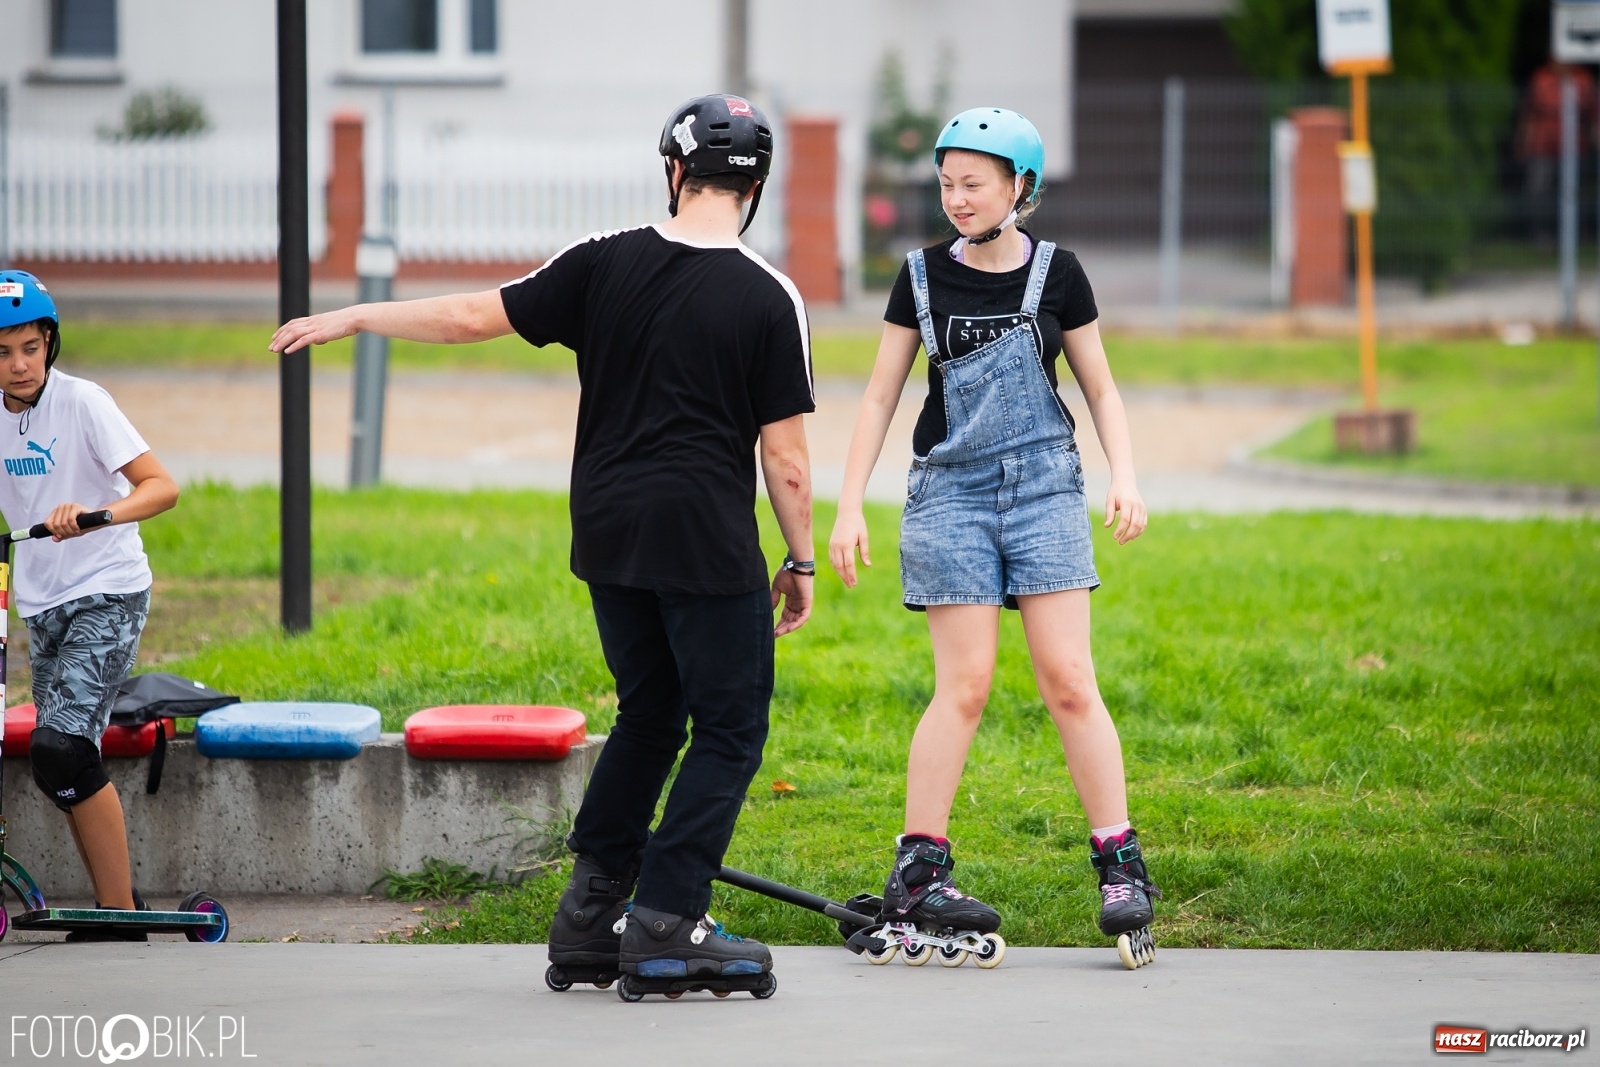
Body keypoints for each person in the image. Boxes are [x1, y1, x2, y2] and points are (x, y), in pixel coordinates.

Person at [269, 94, 815, 989]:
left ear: (674, 171)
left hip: (606, 534)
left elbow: (470, 316)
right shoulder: (768, 293)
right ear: (755, 185)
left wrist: (358, 316)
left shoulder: (601, 261)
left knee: (649, 715)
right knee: (727, 727)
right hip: (705, 541)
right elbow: (785, 459)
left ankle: (591, 916)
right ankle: (669, 919)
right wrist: (796, 562)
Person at [827, 108, 1161, 961]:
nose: (957, 198)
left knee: (1069, 678)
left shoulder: (1062, 275)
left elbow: (1102, 390)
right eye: (946, 183)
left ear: (1021, 187)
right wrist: (848, 503)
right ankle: (919, 870)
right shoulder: (920, 277)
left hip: (1045, 487)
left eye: (973, 183)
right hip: (951, 495)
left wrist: (1124, 474)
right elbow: (876, 397)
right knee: (964, 685)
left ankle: (1120, 863)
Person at [0, 270, 180, 939]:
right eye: (2, 352)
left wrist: (100, 514)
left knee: (62, 743)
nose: (18, 365)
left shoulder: (84, 403)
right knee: (57, 756)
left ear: (50, 342)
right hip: (41, 602)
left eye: (29, 347)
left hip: (107, 587)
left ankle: (120, 916)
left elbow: (162, 487)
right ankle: (114, 899)